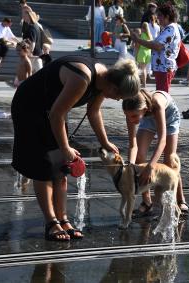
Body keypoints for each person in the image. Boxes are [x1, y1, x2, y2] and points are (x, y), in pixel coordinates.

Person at [11, 57, 140, 241]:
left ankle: (63, 218)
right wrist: (65, 147)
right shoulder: (83, 78)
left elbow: (93, 111)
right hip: (30, 108)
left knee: (62, 168)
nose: (118, 99)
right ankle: (51, 222)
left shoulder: (104, 81)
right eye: (119, 96)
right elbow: (57, 114)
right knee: (44, 169)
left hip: (52, 112)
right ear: (113, 87)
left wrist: (104, 142)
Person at [123, 89, 189, 218]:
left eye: (134, 116)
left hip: (169, 118)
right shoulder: (131, 110)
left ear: (144, 108)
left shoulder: (157, 104)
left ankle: (181, 200)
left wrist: (151, 166)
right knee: (139, 158)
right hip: (147, 120)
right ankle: (147, 202)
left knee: (170, 161)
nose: (131, 120)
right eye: (129, 116)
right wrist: (131, 165)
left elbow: (162, 140)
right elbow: (133, 144)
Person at [131, 3, 181, 93]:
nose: (158, 18)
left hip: (164, 68)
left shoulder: (170, 29)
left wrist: (138, 40)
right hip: (163, 67)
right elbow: (155, 43)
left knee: (162, 96)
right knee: (161, 94)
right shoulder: (169, 28)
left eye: (160, 15)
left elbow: (157, 46)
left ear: (167, 16)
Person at [135, 23, 152, 88]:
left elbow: (138, 46)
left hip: (142, 52)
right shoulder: (150, 35)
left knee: (142, 69)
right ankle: (143, 83)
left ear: (143, 28)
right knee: (144, 68)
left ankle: (143, 84)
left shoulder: (141, 35)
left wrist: (136, 54)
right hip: (148, 52)